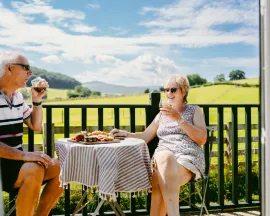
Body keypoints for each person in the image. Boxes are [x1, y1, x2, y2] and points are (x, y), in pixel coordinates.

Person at [110, 74, 207, 216]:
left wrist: (179, 119)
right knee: (164, 158)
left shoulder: (194, 110)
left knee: (159, 176)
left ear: (184, 91)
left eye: (173, 90)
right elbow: (145, 136)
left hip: (187, 159)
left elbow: (202, 139)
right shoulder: (162, 115)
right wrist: (125, 134)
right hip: (163, 160)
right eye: (165, 89)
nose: (168, 93)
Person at [0, 51, 63, 216]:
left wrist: (36, 100)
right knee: (34, 167)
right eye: (26, 68)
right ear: (9, 69)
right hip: (2, 164)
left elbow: (35, 125)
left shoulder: (17, 97)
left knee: (63, 168)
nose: (30, 73)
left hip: (15, 162)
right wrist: (25, 156)